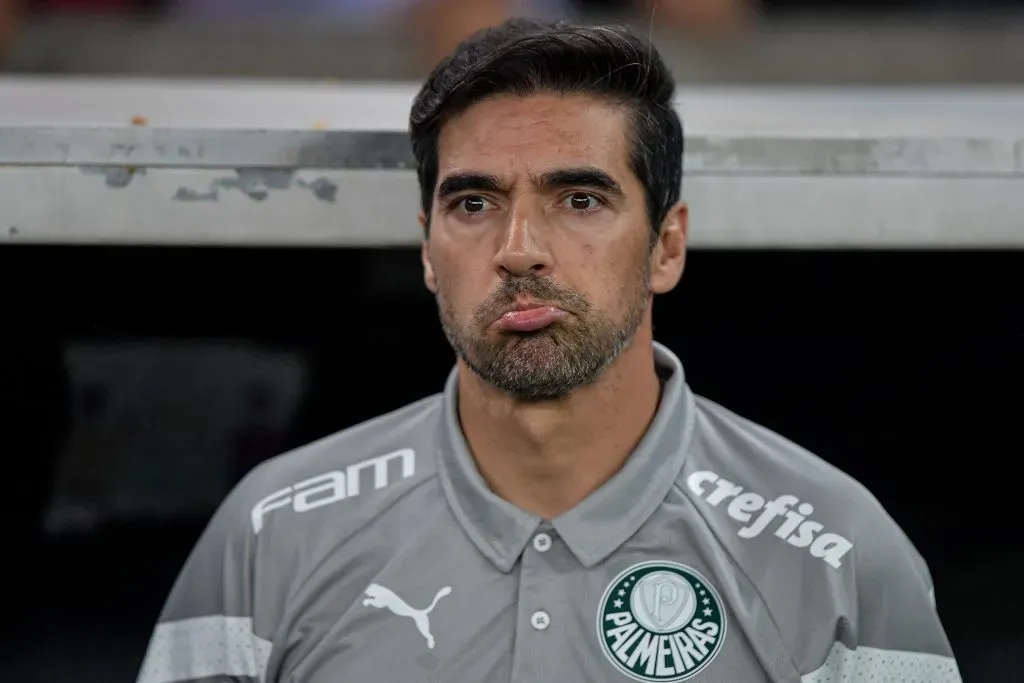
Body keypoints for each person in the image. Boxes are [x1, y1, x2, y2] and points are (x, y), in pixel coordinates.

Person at [135, 19, 962, 683]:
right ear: (427, 251)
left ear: (667, 246)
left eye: (579, 198)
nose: (520, 248)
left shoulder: (836, 551)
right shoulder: (270, 532)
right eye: (473, 202)